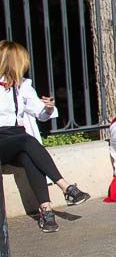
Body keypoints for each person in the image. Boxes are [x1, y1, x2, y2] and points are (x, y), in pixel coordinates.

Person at [0, 40, 90, 231]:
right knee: (27, 140)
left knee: (28, 156)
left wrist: (48, 108)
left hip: (15, 138)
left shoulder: (23, 85)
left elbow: (39, 112)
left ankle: (46, 211)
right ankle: (66, 187)